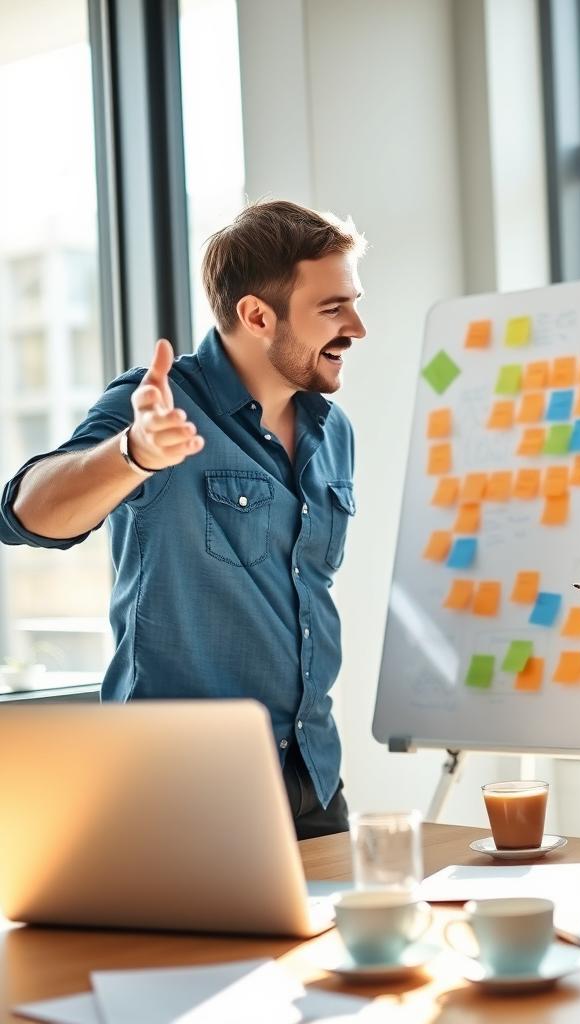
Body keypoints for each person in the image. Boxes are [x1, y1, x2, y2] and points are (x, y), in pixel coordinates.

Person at [0, 199, 366, 836]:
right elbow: (27, 511)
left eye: (353, 302)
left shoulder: (333, 431)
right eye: (333, 308)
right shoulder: (160, 403)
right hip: (181, 790)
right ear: (257, 315)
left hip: (313, 780)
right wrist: (133, 454)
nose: (357, 326)